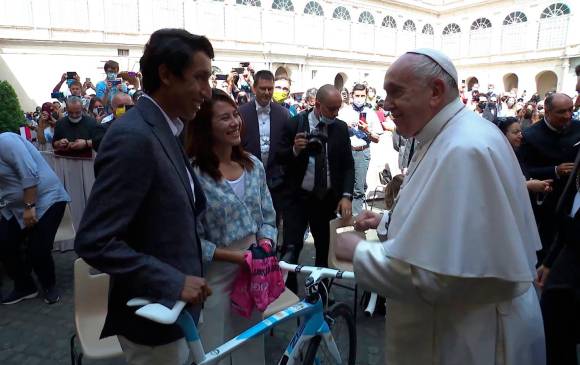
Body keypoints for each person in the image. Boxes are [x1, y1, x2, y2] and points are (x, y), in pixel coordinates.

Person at [335, 49, 545, 365]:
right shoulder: (449, 133)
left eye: (396, 92)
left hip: (471, 338)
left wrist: (358, 252)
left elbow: (440, 276)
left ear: (435, 92)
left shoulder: (462, 147)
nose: (386, 104)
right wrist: (384, 220)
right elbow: (444, 222)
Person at [74, 29, 213, 365]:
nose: (207, 92)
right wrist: (173, 281)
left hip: (177, 312)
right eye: (200, 78)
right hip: (153, 322)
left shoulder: (167, 127)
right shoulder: (135, 137)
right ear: (166, 74)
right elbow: (95, 241)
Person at [186, 88, 276, 365]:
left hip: (253, 272)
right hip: (214, 276)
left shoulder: (254, 166)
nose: (235, 122)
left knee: (250, 343)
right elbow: (190, 238)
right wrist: (233, 256)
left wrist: (265, 244)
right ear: (205, 127)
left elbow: (268, 217)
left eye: (236, 114)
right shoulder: (193, 174)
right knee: (215, 347)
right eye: (225, 118)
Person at [277, 84, 354, 293]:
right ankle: (289, 296)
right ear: (317, 105)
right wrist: (294, 149)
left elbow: (348, 164)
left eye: (339, 108)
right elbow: (279, 158)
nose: (335, 113)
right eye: (331, 108)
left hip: (326, 199)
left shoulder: (340, 128)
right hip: (298, 199)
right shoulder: (295, 124)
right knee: (291, 249)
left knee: (324, 249)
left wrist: (346, 196)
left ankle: (320, 297)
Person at [0, 132, 70, 305]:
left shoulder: (6, 141)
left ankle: (49, 286)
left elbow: (29, 173)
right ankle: (25, 287)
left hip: (47, 200)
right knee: (4, 243)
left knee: (38, 249)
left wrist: (29, 207)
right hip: (14, 207)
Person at [517, 93, 580, 261]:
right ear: (547, 111)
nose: (567, 116)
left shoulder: (578, 127)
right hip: (545, 202)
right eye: (561, 112)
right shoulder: (530, 136)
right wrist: (554, 171)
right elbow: (524, 171)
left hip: (573, 198)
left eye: (570, 110)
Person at [240, 70, 290, 220]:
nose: (267, 92)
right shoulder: (240, 112)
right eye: (263, 88)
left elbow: (285, 146)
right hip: (248, 178)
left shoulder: (283, 114)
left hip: (275, 182)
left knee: (272, 221)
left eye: (270, 88)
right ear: (254, 88)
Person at [338, 84, 382, 215]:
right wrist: (345, 128)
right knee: (344, 185)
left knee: (359, 188)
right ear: (352, 95)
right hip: (346, 151)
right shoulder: (344, 112)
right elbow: (335, 133)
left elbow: (377, 139)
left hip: (363, 152)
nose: (360, 98)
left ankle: (356, 218)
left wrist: (367, 130)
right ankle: (342, 216)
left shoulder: (371, 113)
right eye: (357, 95)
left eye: (362, 96)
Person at [497, 117, 553, 194]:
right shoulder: (495, 158)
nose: (521, 136)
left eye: (520, 131)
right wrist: (527, 185)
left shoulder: (517, 153)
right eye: (515, 132)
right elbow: (497, 187)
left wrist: (536, 185)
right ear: (501, 134)